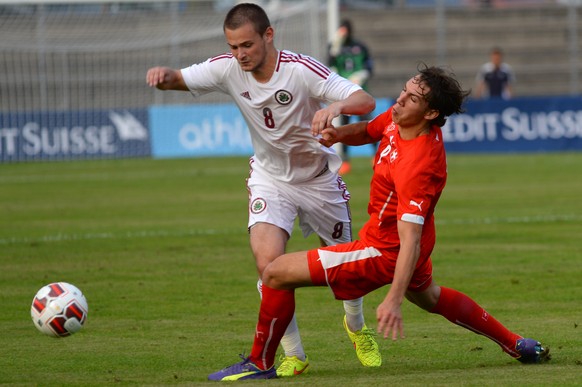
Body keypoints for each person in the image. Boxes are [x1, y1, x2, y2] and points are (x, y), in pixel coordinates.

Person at [207, 65, 550, 381]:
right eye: (404, 90)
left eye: (411, 98)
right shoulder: (401, 119)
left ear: (430, 113)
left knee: (275, 273)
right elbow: (370, 129)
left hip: (385, 250)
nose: (400, 99)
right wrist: (339, 136)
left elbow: (409, 240)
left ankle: (261, 362)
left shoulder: (418, 165)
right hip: (396, 241)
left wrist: (394, 299)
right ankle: (516, 344)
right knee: (430, 297)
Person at [145, 3, 381, 377]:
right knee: (269, 266)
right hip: (271, 180)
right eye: (233, 46)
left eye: (247, 45)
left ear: (268, 35)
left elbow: (364, 100)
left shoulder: (301, 70)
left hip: (319, 181)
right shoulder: (227, 67)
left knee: (348, 274)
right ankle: (294, 354)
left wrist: (334, 106)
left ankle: (356, 327)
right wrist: (163, 76)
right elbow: (179, 79)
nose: (240, 54)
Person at [328, 18, 375, 175]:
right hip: (344, 97)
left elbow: (369, 67)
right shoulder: (334, 47)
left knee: (371, 127)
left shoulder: (360, 47)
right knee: (344, 129)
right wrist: (334, 47)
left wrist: (361, 75)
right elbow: (330, 67)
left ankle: (377, 156)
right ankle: (345, 160)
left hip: (360, 94)